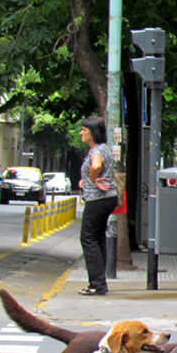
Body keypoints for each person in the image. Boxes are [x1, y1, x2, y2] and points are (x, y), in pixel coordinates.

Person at [77, 116, 117, 296]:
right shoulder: (102, 149)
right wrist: (85, 181)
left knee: (87, 237)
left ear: (92, 133)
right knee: (98, 237)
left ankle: (96, 283)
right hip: (106, 198)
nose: (81, 133)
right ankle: (99, 282)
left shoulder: (97, 151)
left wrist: (93, 181)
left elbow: (96, 166)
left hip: (98, 199)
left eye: (84, 130)